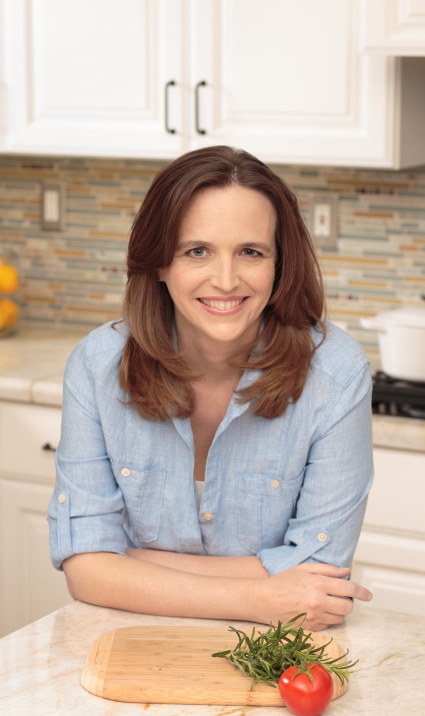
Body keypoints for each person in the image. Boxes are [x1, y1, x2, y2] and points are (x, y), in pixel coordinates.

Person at [47, 145, 374, 632]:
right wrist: (259, 596)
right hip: (140, 640)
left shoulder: (337, 373)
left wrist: (129, 565)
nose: (225, 280)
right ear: (159, 263)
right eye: (196, 251)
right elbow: (85, 570)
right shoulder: (97, 366)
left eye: (251, 252)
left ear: (279, 264)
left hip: (282, 646)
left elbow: (319, 569)